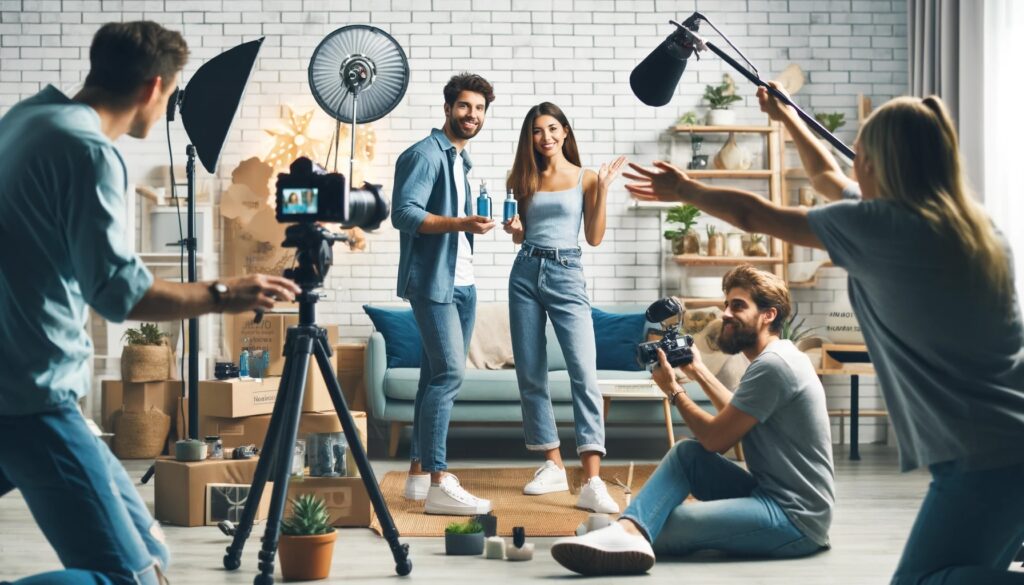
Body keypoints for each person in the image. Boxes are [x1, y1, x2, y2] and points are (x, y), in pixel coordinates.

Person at [624, 85, 1024, 584]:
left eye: (864, 154)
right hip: (1007, 438)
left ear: (880, 163)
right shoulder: (971, 226)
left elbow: (756, 217)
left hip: (983, 453)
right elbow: (827, 178)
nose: (855, 168)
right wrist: (789, 117)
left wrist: (687, 191)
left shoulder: (883, 227)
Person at [0, 22, 300, 585]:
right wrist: (226, 292)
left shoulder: (26, 119)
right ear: (153, 89)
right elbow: (120, 294)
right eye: (172, 93)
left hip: (13, 381)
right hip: (32, 396)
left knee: (148, 546)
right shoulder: (85, 151)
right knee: (135, 575)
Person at [551, 265, 835, 575]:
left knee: (667, 523)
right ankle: (627, 531)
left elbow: (716, 439)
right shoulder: (776, 357)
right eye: (727, 304)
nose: (726, 313)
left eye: (738, 305)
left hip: (794, 517)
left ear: (768, 315)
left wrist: (672, 390)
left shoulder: (775, 366)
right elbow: (736, 414)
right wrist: (698, 370)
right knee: (686, 454)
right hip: (766, 492)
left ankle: (623, 533)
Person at [501, 102, 626, 513]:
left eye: (553, 129)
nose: (546, 137)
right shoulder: (522, 178)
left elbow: (592, 237)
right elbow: (521, 237)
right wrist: (516, 231)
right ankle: (552, 465)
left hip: (567, 271)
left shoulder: (586, 178)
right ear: (530, 138)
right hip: (525, 271)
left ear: (566, 132)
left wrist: (604, 190)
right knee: (531, 371)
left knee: (583, 373)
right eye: (538, 131)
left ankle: (591, 479)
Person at [391, 72, 496, 515]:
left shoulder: (461, 159)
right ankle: (438, 480)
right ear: (448, 108)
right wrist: (461, 223)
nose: (471, 115)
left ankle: (417, 475)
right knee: (451, 376)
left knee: (431, 377)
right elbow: (404, 213)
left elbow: (457, 221)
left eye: (479, 109)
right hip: (434, 283)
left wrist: (477, 224)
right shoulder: (424, 154)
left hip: (463, 283)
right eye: (464, 106)